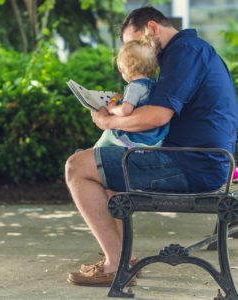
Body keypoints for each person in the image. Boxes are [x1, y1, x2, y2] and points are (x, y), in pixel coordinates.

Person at [65, 6, 238, 286]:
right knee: (103, 167)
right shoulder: (186, 51)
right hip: (199, 160)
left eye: (136, 43)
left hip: (193, 164)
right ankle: (124, 261)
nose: (136, 52)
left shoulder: (185, 53)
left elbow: (157, 116)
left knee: (77, 166)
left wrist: (108, 122)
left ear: (153, 28)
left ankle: (114, 265)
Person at [95, 39, 169, 149]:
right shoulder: (153, 84)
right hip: (154, 139)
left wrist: (112, 107)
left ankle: (94, 151)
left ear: (125, 68)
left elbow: (126, 110)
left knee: (109, 133)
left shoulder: (135, 86)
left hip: (138, 140)